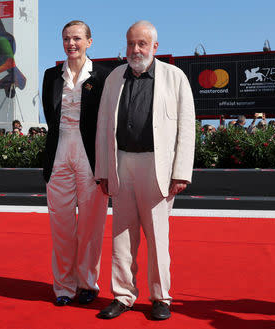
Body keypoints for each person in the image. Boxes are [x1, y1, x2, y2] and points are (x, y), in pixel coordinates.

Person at [95, 20, 195, 321]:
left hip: (158, 166)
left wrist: (181, 172)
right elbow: (103, 127)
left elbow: (187, 129)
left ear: (155, 47)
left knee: (157, 238)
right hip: (121, 163)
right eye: (130, 43)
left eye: (141, 43)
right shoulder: (114, 78)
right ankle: (123, 296)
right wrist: (103, 170)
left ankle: (160, 297)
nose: (135, 49)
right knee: (121, 237)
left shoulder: (174, 78)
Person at [42, 20, 110, 306]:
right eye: (66, 39)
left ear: (89, 42)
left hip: (90, 153)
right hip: (59, 153)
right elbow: (50, 115)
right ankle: (63, 287)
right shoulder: (51, 75)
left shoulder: (104, 76)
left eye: (77, 38)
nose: (71, 43)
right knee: (61, 224)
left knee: (91, 225)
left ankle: (87, 284)